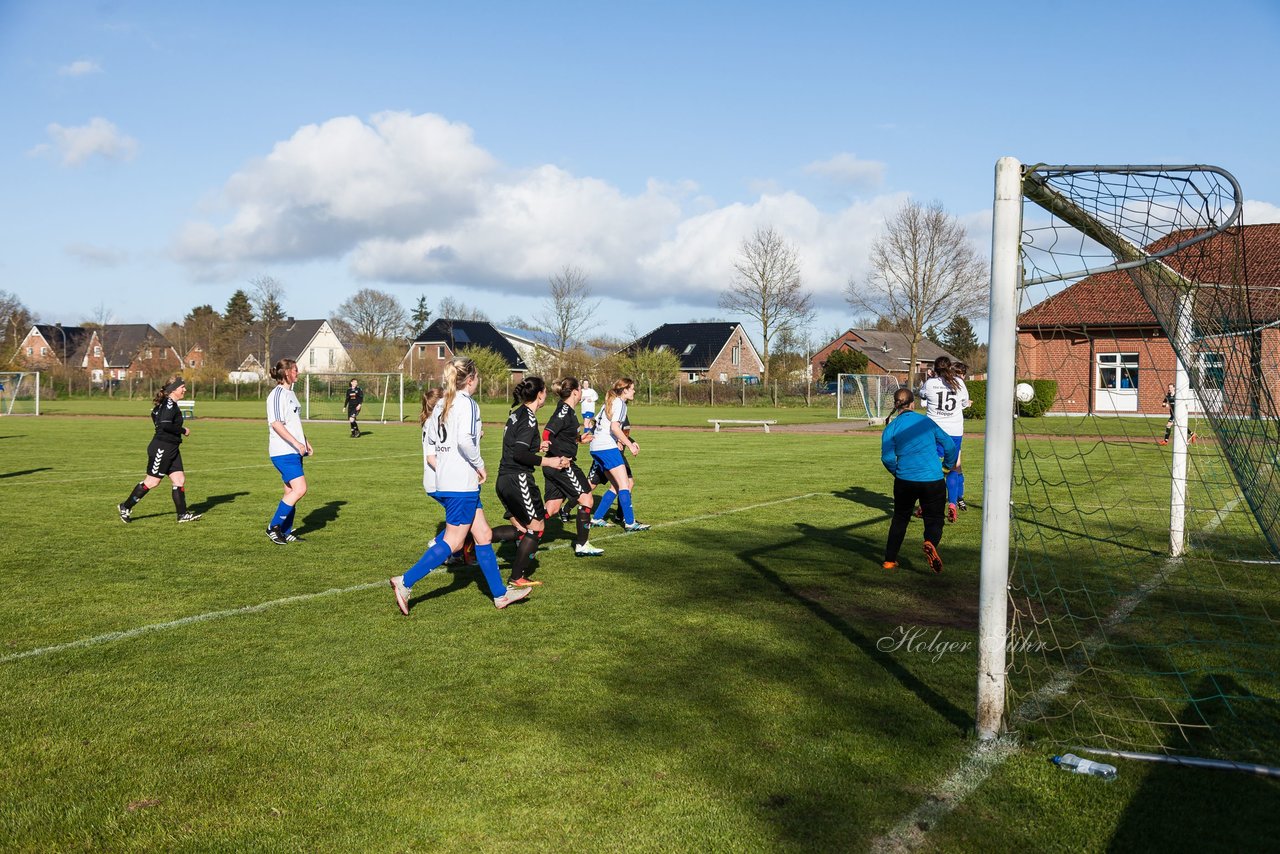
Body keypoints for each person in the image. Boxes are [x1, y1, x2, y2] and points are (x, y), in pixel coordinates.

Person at [389, 357, 532, 615]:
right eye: (477, 377)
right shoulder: (467, 403)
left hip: (449, 480)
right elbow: (466, 441)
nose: (478, 382)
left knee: (483, 535)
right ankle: (405, 582)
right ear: (469, 379)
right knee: (454, 542)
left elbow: (431, 442)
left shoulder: (442, 403)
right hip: (461, 483)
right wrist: (479, 464)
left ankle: (500, 595)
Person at [493, 377, 574, 587]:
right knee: (537, 527)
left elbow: (516, 447)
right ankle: (517, 577)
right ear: (539, 394)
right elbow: (519, 454)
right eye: (545, 391)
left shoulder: (516, 414)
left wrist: (538, 447)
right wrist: (550, 461)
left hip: (504, 479)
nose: (546, 395)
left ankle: (472, 541)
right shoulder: (528, 418)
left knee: (521, 529)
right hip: (517, 478)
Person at [882, 387, 958, 573]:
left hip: (904, 480)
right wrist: (946, 467)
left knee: (900, 519)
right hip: (932, 479)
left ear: (895, 404)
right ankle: (930, 542)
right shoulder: (926, 422)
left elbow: (887, 458)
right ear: (913, 404)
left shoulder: (891, 427)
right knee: (934, 519)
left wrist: (898, 472)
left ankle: (890, 561)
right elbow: (949, 445)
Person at [117, 375, 202, 524]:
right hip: (162, 448)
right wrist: (183, 430)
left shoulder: (168, 404)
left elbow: (155, 414)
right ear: (174, 389)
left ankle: (182, 515)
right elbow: (164, 424)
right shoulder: (169, 404)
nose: (185, 389)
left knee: (179, 480)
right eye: (182, 387)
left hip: (172, 447)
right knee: (152, 482)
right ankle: (125, 506)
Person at [542, 377, 605, 557]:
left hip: (554, 465)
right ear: (575, 392)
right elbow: (547, 433)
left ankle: (523, 530)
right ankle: (582, 544)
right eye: (581, 391)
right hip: (561, 465)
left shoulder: (569, 411)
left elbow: (562, 436)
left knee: (552, 509)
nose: (582, 394)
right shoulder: (563, 410)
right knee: (587, 500)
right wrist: (560, 457)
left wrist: (579, 439)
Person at [588, 378, 649, 531]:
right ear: (625, 390)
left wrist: (625, 440)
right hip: (606, 447)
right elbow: (615, 427)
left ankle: (596, 518)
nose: (634, 391)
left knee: (616, 486)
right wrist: (629, 445)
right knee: (625, 484)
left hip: (596, 447)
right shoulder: (620, 403)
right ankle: (630, 522)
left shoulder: (609, 402)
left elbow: (593, 424)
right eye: (632, 388)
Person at [265, 359, 312, 545]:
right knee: (300, 489)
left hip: (294, 450)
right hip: (282, 451)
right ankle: (273, 527)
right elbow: (276, 423)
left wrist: (305, 442)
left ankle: (285, 530)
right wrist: (295, 443)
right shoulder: (276, 395)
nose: (298, 373)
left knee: (290, 491)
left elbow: (294, 423)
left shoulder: (290, 393)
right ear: (286, 373)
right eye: (295, 370)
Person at [920, 356, 969, 523]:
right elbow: (963, 403)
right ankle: (953, 504)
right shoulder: (959, 383)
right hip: (954, 431)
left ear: (935, 368)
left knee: (931, 468)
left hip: (933, 431)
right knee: (953, 468)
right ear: (950, 367)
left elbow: (922, 396)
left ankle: (925, 504)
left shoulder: (930, 383)